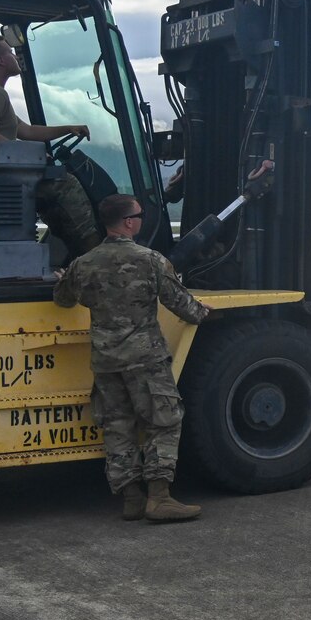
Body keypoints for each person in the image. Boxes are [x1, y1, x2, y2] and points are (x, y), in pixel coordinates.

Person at [55, 194, 211, 523]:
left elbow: (64, 299)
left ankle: (131, 499)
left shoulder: (84, 263)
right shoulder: (150, 260)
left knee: (118, 427)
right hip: (145, 360)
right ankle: (160, 497)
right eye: (139, 214)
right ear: (128, 222)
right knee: (164, 421)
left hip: (106, 360)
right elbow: (183, 306)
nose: (141, 219)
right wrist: (207, 313)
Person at [0, 34, 103, 259]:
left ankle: (72, 251)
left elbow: (28, 131)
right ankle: (93, 254)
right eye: (10, 53)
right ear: (1, 61)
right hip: (1, 179)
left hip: (3, 174)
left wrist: (68, 128)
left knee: (52, 184)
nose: (15, 57)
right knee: (66, 183)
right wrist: (22, 154)